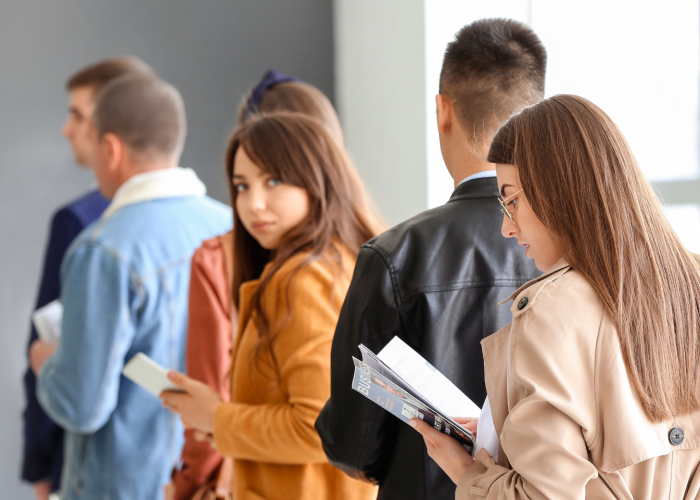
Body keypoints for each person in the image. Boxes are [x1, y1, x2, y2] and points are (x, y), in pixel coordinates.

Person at [411, 94, 700, 498]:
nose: (507, 229)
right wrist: (506, 432)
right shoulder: (691, 282)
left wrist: (467, 473)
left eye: (512, 201)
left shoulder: (551, 311)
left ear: (560, 191)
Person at [315, 18, 545, 500]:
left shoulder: (394, 256)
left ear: (442, 111)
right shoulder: (584, 254)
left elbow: (352, 446)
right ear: (539, 113)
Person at [28, 74, 232, 500]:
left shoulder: (103, 248)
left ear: (111, 149)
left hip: (119, 486)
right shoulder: (229, 227)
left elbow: (83, 407)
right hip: (206, 478)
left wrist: (48, 364)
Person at [160, 113, 383, 500]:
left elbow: (315, 426)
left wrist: (217, 417)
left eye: (274, 181)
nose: (253, 203)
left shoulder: (304, 279)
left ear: (316, 181)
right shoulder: (344, 261)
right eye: (242, 186)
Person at [21, 56, 155, 500]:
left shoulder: (83, 226)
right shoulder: (211, 225)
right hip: (176, 464)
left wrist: (41, 467)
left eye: (77, 115)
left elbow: (46, 350)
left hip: (91, 468)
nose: (67, 129)